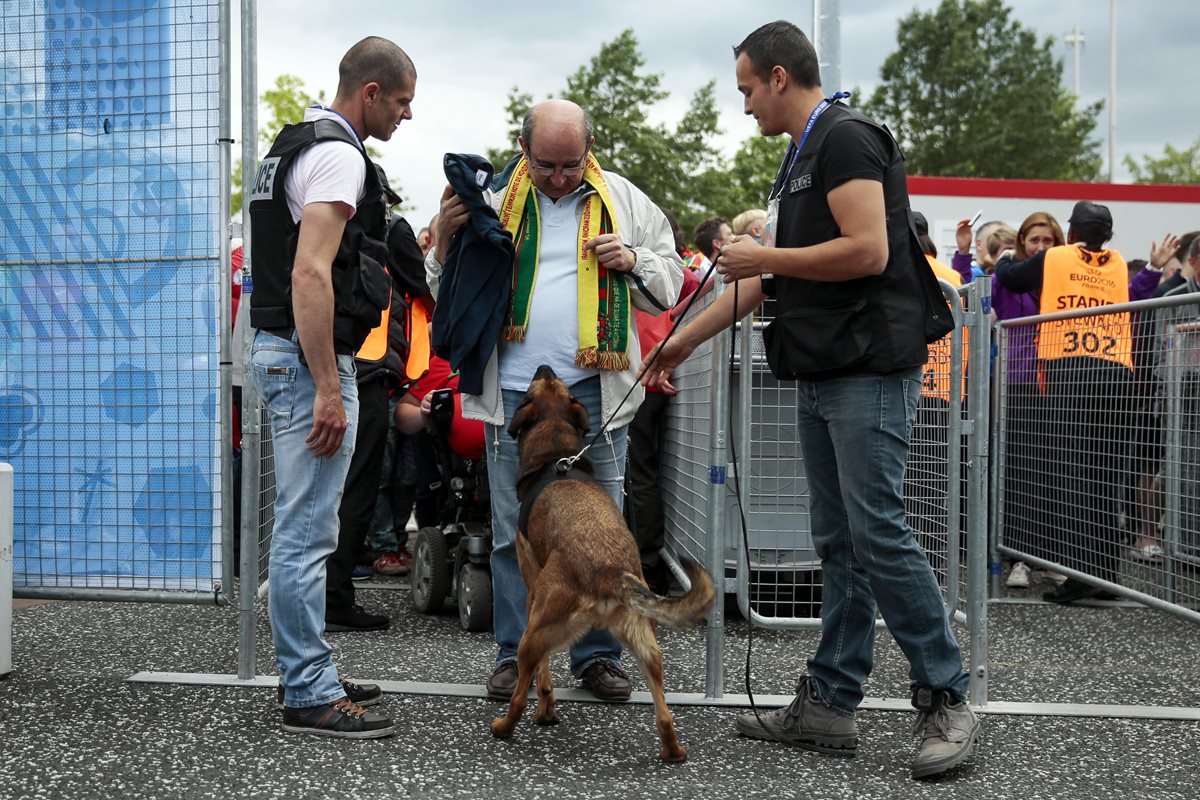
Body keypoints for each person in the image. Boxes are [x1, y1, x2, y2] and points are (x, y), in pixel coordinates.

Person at [642, 21, 979, 779]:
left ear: (780, 78)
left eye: (747, 89)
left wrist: (764, 253)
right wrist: (683, 340)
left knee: (877, 533)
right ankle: (830, 700)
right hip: (825, 371)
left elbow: (869, 250)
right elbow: (771, 278)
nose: (745, 105)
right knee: (840, 542)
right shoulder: (799, 160)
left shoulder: (848, 138)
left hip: (869, 369)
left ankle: (948, 694)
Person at [428, 99, 683, 703]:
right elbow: (443, 289)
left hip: (595, 394)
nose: (561, 178)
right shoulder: (489, 197)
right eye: (547, 165)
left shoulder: (623, 197)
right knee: (514, 529)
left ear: (588, 151)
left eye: (572, 164)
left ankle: (594, 657)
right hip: (514, 394)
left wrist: (634, 259)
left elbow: (669, 283)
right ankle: (515, 654)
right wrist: (443, 242)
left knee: (602, 532)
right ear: (524, 150)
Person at [246, 36, 416, 739]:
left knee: (305, 527)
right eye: (402, 100)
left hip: (280, 348)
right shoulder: (340, 156)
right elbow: (311, 274)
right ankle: (308, 691)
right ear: (370, 92)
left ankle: (307, 667)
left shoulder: (292, 144)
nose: (407, 114)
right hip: (305, 354)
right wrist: (327, 386)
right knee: (307, 532)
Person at [995, 201, 1134, 605]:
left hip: (1071, 373)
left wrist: (1003, 257)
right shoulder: (1118, 263)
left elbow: (1012, 278)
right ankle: (1106, 575)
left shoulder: (1056, 257)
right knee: (1106, 476)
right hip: (1116, 374)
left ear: (1071, 232)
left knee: (1072, 475)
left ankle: (1079, 575)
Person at [325, 193, 429, 631]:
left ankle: (321, 595)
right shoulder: (391, 228)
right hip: (370, 373)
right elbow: (423, 287)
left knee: (325, 490)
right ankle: (334, 597)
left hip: (328, 363)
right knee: (359, 487)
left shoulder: (323, 221)